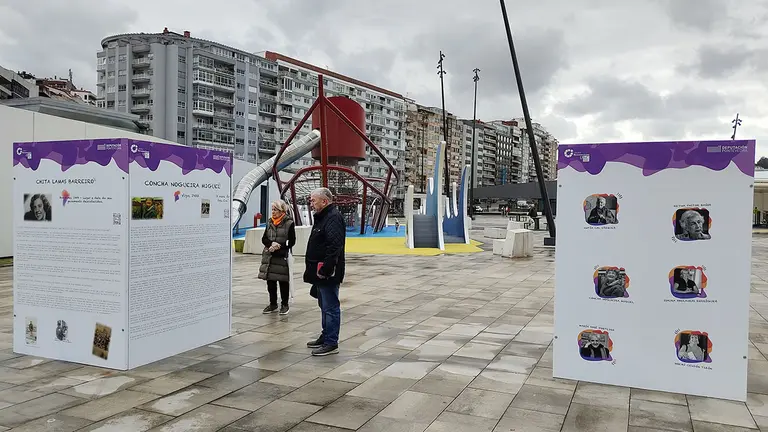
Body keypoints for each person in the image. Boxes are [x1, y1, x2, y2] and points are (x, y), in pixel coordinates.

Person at [304, 187, 346, 356]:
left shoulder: (333, 218)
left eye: (314, 200)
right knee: (324, 305)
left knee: (330, 307)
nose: (311, 203)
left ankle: (331, 342)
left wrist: (326, 269)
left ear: (324, 201)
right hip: (319, 271)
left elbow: (334, 246)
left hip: (327, 272)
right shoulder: (323, 217)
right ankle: (326, 335)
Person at [259, 200, 296, 315]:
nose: (273, 212)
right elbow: (264, 238)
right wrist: (271, 244)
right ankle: (273, 304)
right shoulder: (269, 222)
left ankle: (285, 304)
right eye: (272, 210)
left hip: (281, 256)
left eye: (275, 210)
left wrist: (279, 246)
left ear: (282, 211)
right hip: (269, 255)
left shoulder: (289, 223)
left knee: (283, 281)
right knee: (270, 282)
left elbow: (292, 241)